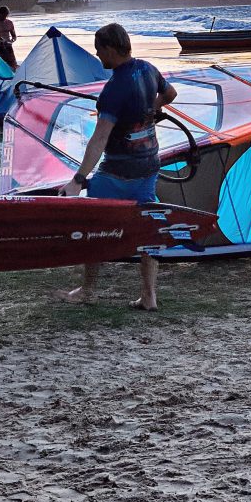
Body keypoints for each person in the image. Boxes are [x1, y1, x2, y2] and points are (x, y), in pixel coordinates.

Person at [58, 22, 177, 310]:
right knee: (148, 227)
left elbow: (100, 138)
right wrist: (151, 109)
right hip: (149, 165)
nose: (98, 55)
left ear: (111, 49)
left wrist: (78, 179)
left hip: (117, 172)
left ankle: (88, 290)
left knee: (93, 224)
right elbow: (171, 93)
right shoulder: (148, 69)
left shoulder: (113, 90)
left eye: (99, 50)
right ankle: (149, 296)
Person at [0, 5, 18, 70]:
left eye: (6, 15)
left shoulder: (9, 23)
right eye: (3, 15)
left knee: (13, 66)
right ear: (0, 14)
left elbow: (14, 36)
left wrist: (12, 40)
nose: (5, 17)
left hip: (9, 47)